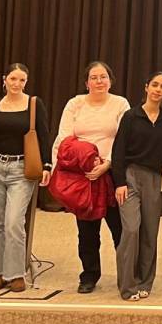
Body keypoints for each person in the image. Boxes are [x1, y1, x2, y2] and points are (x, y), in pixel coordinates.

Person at [55, 61, 131, 294]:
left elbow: (124, 139)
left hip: (112, 173)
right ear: (86, 82)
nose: (99, 81)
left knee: (120, 228)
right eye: (94, 77)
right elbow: (64, 139)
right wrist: (64, 167)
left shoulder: (120, 104)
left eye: (103, 77)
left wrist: (106, 164)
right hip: (83, 175)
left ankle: (127, 275)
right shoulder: (75, 104)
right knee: (87, 232)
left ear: (110, 80)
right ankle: (89, 275)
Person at [0, 62, 52, 293]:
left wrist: (47, 165)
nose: (17, 84)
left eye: (22, 80)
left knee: (14, 222)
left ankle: (16, 274)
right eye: (13, 79)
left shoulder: (33, 104)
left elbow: (44, 134)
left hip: (21, 169)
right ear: (4, 79)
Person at [111, 71, 162, 301]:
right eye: (154, 85)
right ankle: (127, 286)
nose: (158, 89)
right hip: (130, 177)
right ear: (146, 87)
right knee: (131, 229)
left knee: (149, 232)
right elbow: (118, 151)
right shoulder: (131, 116)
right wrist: (119, 182)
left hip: (155, 179)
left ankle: (145, 282)